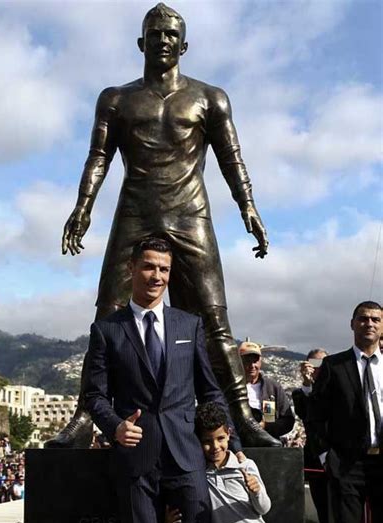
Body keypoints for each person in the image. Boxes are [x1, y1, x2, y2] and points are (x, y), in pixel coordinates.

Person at [49, 2, 280, 450]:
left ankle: (241, 417)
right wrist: (83, 206)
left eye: (171, 34)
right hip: (135, 210)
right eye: (154, 34)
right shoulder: (116, 98)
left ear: (185, 45)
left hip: (190, 212)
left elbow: (232, 158)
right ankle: (84, 415)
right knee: (107, 314)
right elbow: (99, 156)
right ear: (141, 43)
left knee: (213, 317)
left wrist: (247, 206)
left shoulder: (210, 98)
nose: (163, 41)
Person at [84, 237, 244, 523]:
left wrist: (225, 441)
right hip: (136, 461)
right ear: (131, 269)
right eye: (150, 267)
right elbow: (94, 395)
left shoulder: (188, 324)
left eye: (165, 271)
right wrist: (114, 427)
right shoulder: (107, 331)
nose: (157, 277)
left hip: (187, 459)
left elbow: (210, 391)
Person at [309, 301, 383, 523]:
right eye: (363, 319)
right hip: (348, 465)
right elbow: (315, 417)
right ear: (352, 324)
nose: (369, 324)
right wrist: (327, 457)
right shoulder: (334, 366)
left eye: (376, 319)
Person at [292, 349, 334, 523]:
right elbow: (306, 416)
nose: (318, 368)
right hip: (317, 466)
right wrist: (308, 387)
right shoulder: (301, 394)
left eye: (322, 363)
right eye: (314, 363)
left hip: (343, 463)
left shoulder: (337, 388)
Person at [239, 341, 295, 439]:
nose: (252, 365)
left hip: (269, 444)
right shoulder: (232, 387)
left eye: (255, 360)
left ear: (260, 362)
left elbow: (288, 421)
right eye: (247, 360)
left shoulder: (273, 388)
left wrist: (265, 426)